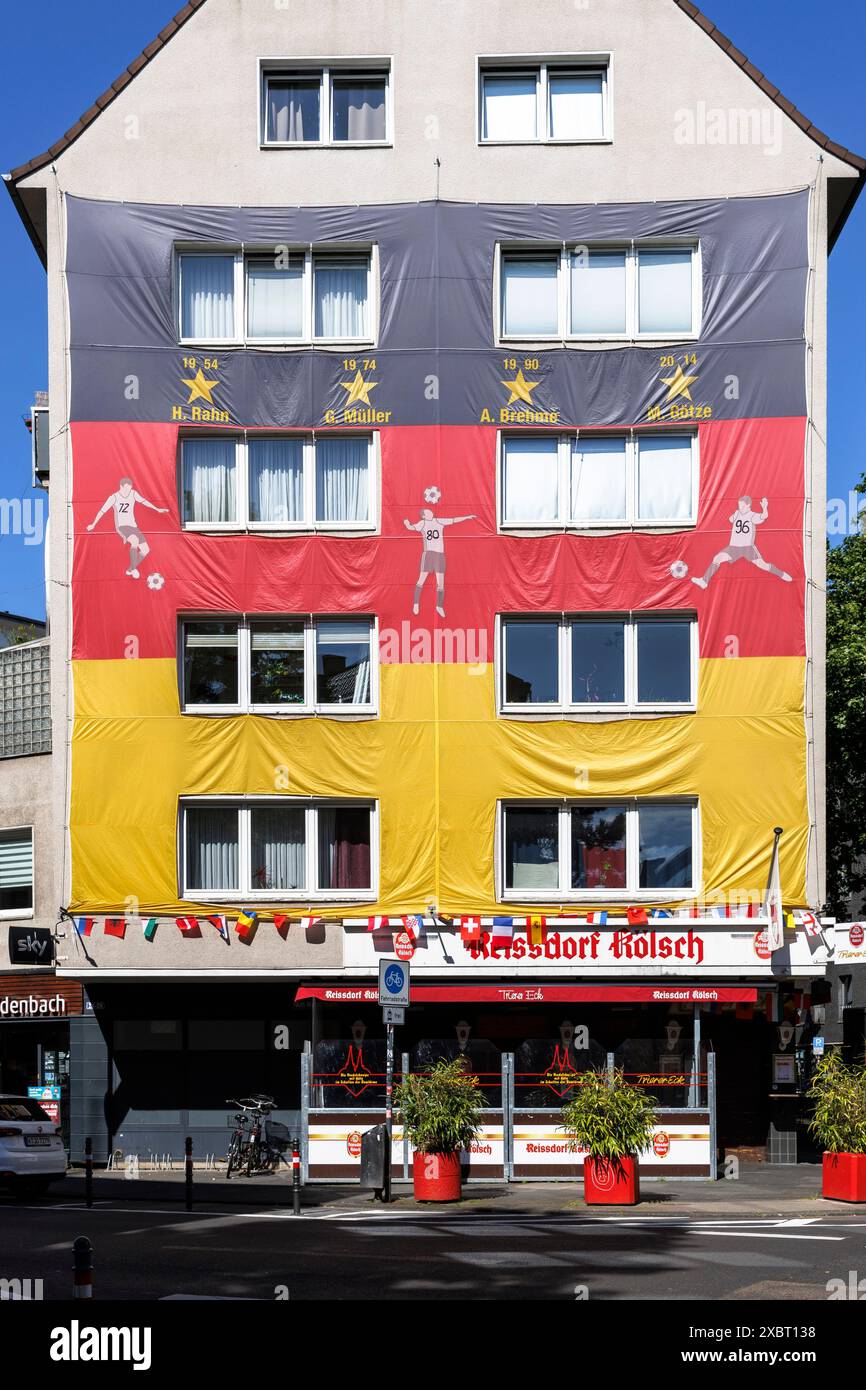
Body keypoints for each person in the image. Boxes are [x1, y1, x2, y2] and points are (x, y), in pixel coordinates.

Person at [691, 495, 792, 590]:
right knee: (717, 558)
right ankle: (704, 581)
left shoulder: (752, 515)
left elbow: (764, 516)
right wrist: (736, 514)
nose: (740, 507)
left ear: (748, 505)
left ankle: (781, 574)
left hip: (747, 547)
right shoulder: (737, 513)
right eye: (739, 505)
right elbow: (730, 520)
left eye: (742, 505)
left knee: (763, 565)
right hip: (734, 547)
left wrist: (765, 507)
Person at [86, 478, 169, 579]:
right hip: (122, 526)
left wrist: (157, 509)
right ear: (121, 487)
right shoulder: (114, 497)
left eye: (129, 489)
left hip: (133, 526)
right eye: (126, 489)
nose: (128, 491)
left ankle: (130, 569)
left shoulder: (133, 494)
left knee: (145, 550)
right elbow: (102, 511)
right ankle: (133, 569)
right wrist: (93, 524)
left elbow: (144, 501)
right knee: (135, 540)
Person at [404, 507, 474, 617]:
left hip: (440, 555)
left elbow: (453, 520)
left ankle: (439, 606)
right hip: (429, 554)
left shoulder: (438, 521)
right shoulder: (422, 523)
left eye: (431, 511)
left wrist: (466, 517)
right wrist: (407, 523)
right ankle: (416, 604)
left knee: (440, 583)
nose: (431, 513)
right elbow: (411, 528)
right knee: (421, 579)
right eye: (428, 512)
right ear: (424, 516)